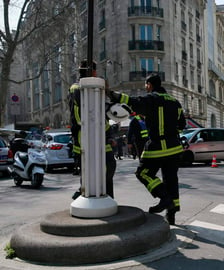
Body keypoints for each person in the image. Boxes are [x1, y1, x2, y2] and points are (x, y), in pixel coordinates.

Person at [107, 73, 186, 225]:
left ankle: (164, 198)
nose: (145, 88)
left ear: (149, 85)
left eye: (146, 85)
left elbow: (132, 101)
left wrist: (112, 94)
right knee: (171, 180)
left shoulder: (151, 99)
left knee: (142, 173)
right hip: (175, 148)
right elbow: (182, 125)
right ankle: (172, 213)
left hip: (157, 147)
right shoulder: (176, 102)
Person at [68, 60, 117, 200]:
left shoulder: (79, 88)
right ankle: (89, 195)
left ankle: (97, 196)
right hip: (87, 136)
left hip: (95, 136)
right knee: (97, 167)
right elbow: (89, 114)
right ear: (93, 72)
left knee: (100, 167)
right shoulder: (79, 88)